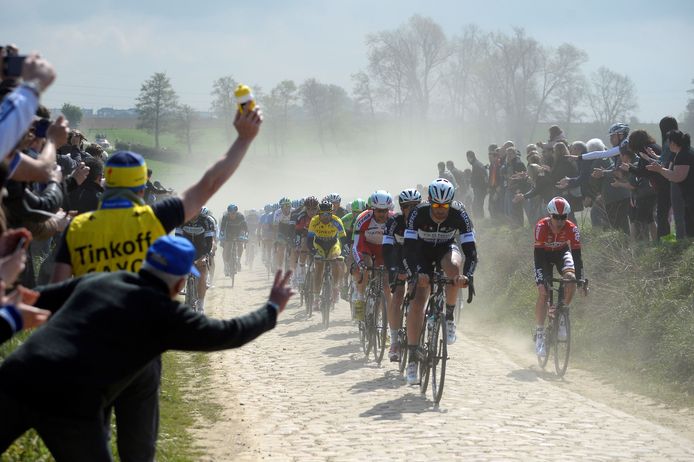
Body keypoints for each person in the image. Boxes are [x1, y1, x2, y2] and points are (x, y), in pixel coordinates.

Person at [48, 107, 262, 461]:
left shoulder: (79, 226)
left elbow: (56, 292)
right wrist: (243, 139)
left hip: (87, 347)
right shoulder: (153, 218)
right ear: (142, 186)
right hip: (140, 346)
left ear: (105, 182)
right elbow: (208, 184)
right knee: (139, 450)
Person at [0, 235, 293, 461]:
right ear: (180, 284)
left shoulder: (101, 280)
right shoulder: (167, 315)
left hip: (17, 375)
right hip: (72, 403)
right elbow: (229, 333)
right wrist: (271, 309)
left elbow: (33, 297)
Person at [403, 178, 476, 385]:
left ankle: (450, 317)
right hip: (421, 252)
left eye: (445, 206)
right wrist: (417, 272)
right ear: (430, 201)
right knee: (418, 300)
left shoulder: (459, 214)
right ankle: (412, 357)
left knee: (454, 269)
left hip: (446, 249)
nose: (441, 210)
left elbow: (470, 251)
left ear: (451, 203)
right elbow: (407, 249)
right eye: (436, 205)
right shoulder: (418, 213)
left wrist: (467, 276)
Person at [532, 197, 585, 358]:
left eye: (564, 217)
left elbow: (577, 257)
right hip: (544, 258)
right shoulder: (541, 227)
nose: (560, 221)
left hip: (562, 253)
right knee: (544, 292)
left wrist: (581, 280)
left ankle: (562, 314)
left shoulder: (572, 228)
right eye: (557, 217)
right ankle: (540, 332)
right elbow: (538, 257)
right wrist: (541, 281)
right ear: (550, 215)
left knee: (571, 278)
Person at [383, 188, 421, 362]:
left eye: (415, 206)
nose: (412, 209)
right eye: (408, 206)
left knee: (417, 298)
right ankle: (394, 341)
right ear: (402, 207)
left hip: (416, 258)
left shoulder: (424, 221)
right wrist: (393, 270)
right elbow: (387, 248)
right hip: (397, 257)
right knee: (397, 296)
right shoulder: (394, 222)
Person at [352, 190, 393, 321]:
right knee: (366, 268)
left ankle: (385, 321)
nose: (382, 214)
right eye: (378, 211)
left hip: (383, 249)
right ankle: (360, 298)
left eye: (385, 210)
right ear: (372, 209)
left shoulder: (393, 219)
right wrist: (360, 263)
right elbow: (356, 245)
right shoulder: (363, 218)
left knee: (386, 285)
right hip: (367, 246)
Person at [646, 130, 694, 237]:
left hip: (689, 195)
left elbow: (677, 177)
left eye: (668, 142)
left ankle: (684, 244)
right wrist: (660, 168)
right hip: (687, 195)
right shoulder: (681, 153)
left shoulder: (684, 155)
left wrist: (659, 170)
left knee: (686, 221)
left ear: (672, 143)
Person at [306, 200, 347, 312]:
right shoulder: (314, 221)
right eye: (323, 214)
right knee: (319, 268)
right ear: (319, 213)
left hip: (333, 244)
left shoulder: (336, 221)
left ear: (331, 213)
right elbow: (309, 240)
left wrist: (344, 251)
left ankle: (335, 288)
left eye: (328, 214)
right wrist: (314, 252)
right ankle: (316, 299)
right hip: (318, 244)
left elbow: (343, 239)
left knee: (336, 260)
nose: (325, 216)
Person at [175, 208, 216, 311]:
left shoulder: (207, 221)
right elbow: (178, 238)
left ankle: (201, 305)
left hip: (201, 249)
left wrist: (205, 256)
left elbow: (209, 242)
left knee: (202, 274)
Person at [219, 204, 248, 275]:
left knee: (240, 244)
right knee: (226, 246)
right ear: (228, 213)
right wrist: (222, 237)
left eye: (234, 213)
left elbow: (245, 228)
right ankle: (226, 265)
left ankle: (238, 259)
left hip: (238, 232)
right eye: (230, 213)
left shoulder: (240, 216)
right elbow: (222, 228)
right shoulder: (225, 217)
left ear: (236, 212)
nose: (232, 215)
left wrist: (246, 236)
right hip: (229, 233)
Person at [466, 150, 488, 218]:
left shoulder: (476, 165)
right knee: (478, 205)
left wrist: (485, 187)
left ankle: (479, 220)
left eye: (467, 158)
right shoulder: (477, 164)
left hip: (479, 188)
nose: (467, 160)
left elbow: (483, 176)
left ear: (470, 157)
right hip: (480, 188)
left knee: (476, 206)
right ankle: (480, 220)